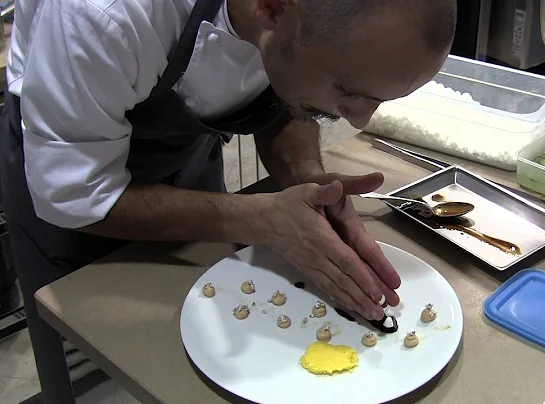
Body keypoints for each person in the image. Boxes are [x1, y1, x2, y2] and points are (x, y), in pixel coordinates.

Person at [0, 0, 457, 401]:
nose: (359, 120)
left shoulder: (294, 27)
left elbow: (284, 97)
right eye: (348, 91)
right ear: (274, 7)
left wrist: (308, 182)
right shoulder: (103, 15)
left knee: (203, 356)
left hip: (185, 148)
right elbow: (73, 195)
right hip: (72, 172)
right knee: (107, 370)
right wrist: (257, 220)